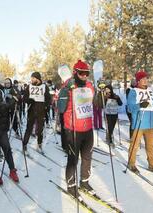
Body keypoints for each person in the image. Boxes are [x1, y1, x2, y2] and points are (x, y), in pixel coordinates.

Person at [57, 60, 95, 199]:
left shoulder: (90, 86)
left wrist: (104, 94)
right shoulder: (67, 86)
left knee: (87, 158)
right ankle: (71, 186)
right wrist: (67, 90)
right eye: (81, 73)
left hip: (88, 128)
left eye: (87, 73)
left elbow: (96, 104)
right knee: (73, 160)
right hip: (73, 129)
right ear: (75, 73)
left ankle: (84, 182)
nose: (84, 76)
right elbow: (60, 108)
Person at [22, 72, 50, 153]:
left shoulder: (44, 86)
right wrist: (29, 100)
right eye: (31, 78)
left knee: (40, 129)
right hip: (31, 110)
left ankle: (39, 144)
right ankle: (24, 145)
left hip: (41, 111)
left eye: (33, 78)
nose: (31, 80)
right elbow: (24, 98)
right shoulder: (29, 86)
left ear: (37, 78)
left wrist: (45, 105)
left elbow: (48, 98)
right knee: (29, 129)